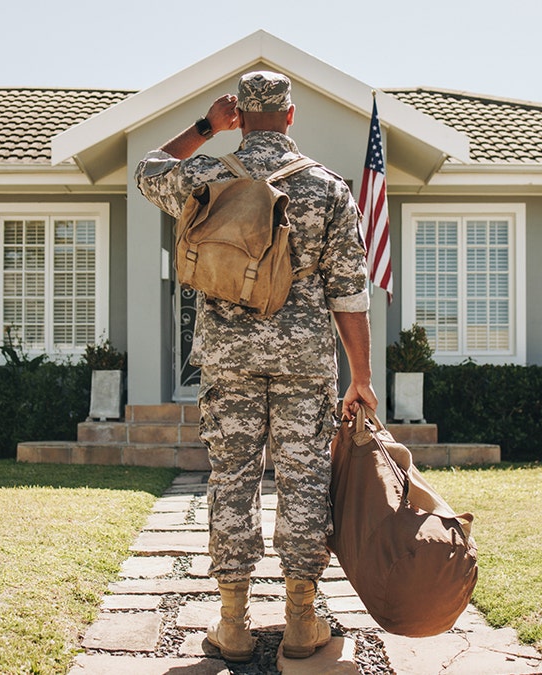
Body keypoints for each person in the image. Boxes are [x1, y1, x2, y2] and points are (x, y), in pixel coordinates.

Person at [135, 70, 380, 662]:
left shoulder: (206, 175)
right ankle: (300, 621)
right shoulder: (327, 188)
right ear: (291, 116)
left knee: (231, 481)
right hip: (304, 363)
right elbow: (348, 292)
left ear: (238, 115)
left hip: (228, 360)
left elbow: (146, 169)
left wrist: (203, 128)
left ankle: (233, 623)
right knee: (304, 483)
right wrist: (362, 379)